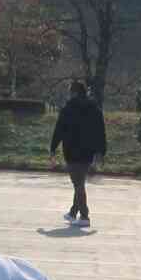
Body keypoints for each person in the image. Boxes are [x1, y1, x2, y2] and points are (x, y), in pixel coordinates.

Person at [49, 80, 107, 227]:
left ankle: (84, 216)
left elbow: (59, 130)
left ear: (73, 92)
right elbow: (101, 131)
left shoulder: (68, 109)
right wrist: (101, 151)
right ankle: (73, 212)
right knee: (79, 181)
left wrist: (53, 149)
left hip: (72, 150)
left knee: (78, 184)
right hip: (88, 151)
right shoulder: (95, 109)